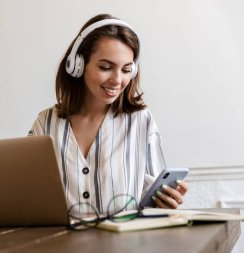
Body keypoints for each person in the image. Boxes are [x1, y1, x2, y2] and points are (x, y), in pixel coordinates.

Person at [29, 14, 188, 214]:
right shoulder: (46, 123)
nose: (117, 79)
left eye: (126, 70)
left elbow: (153, 202)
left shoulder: (141, 121)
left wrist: (164, 202)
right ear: (78, 65)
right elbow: (28, 196)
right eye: (106, 67)